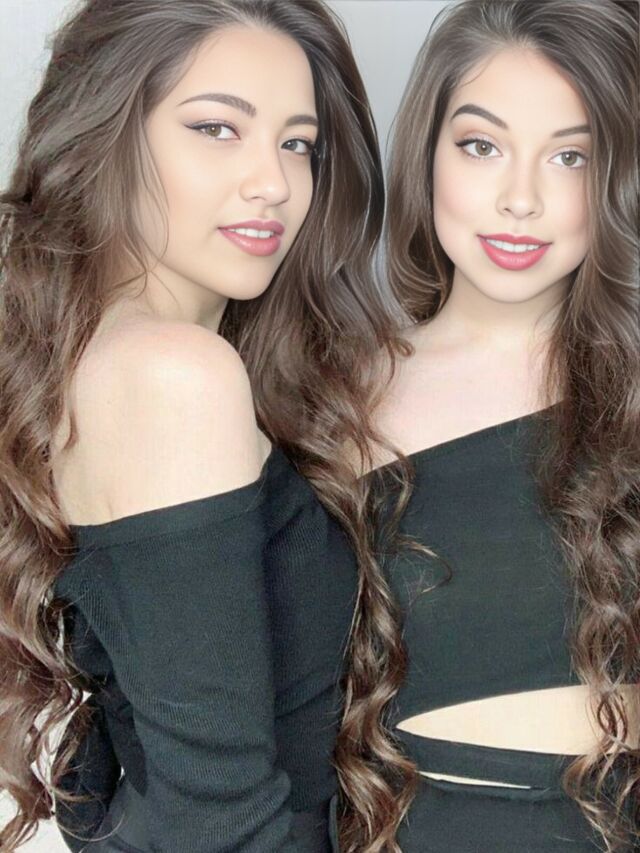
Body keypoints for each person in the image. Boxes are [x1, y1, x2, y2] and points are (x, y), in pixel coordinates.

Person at [0, 1, 405, 850]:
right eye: (218, 128)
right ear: (107, 131)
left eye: (298, 143)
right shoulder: (175, 375)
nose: (274, 182)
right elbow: (215, 815)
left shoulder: (104, 353)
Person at [336, 0, 639, 850]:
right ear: (427, 153)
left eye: (571, 155)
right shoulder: (337, 398)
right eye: (482, 145)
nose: (520, 199)